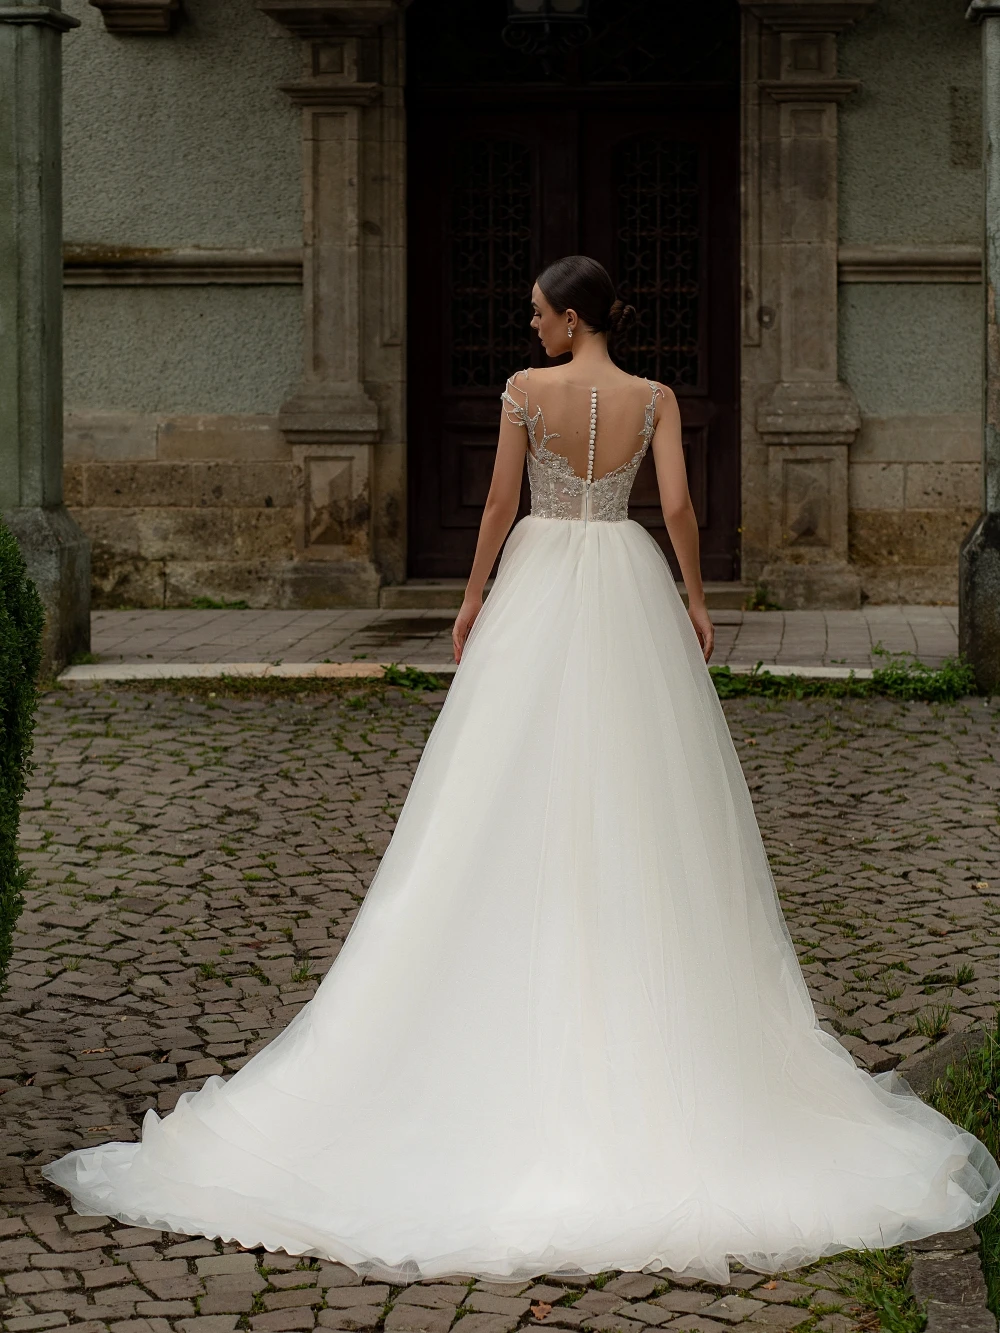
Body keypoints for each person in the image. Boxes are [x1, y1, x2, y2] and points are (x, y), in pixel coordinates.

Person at [43, 256, 999, 1286]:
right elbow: (676, 508)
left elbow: (498, 507)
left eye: (539, 312)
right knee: (646, 792)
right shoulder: (653, 398)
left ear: (571, 315)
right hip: (625, 581)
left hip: (543, 577)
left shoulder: (524, 394)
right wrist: (694, 598)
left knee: (493, 784)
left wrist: (470, 599)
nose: (529, 325)